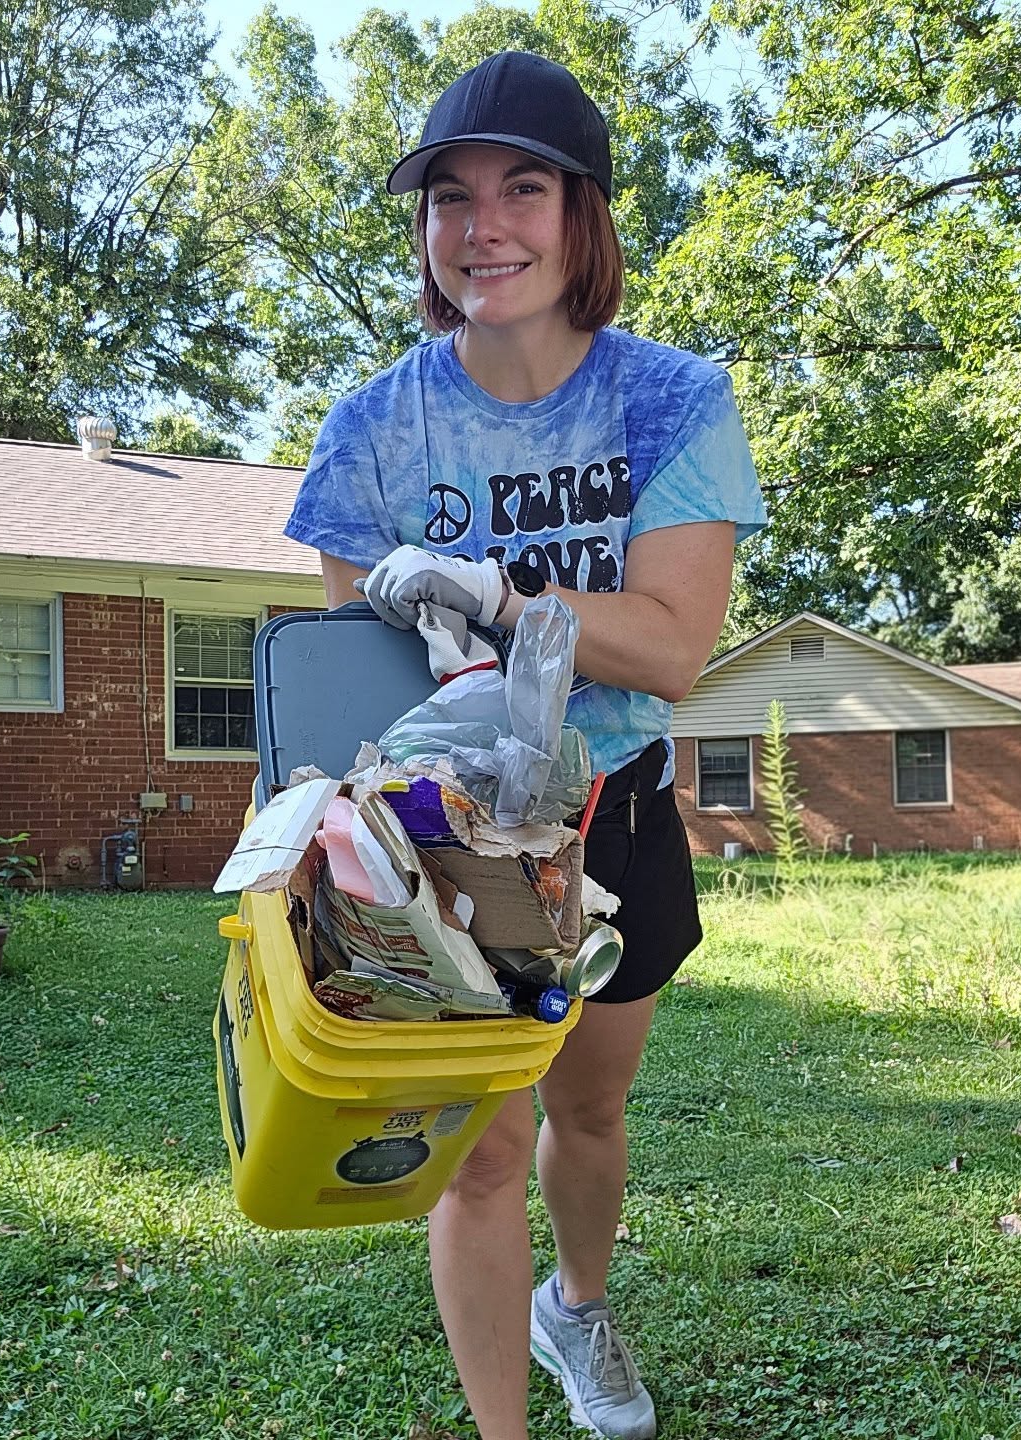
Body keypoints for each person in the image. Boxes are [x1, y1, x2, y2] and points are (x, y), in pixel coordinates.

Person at [284, 50, 767, 1440]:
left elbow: (674, 643)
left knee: (591, 1111)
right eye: (449, 195)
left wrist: (501, 594)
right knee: (484, 1149)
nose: (480, 226)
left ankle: (579, 1306)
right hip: (454, 837)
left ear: (584, 217)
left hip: (615, 806)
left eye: (523, 189)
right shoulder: (372, 428)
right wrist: (431, 643)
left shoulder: (674, 400)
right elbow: (358, 673)